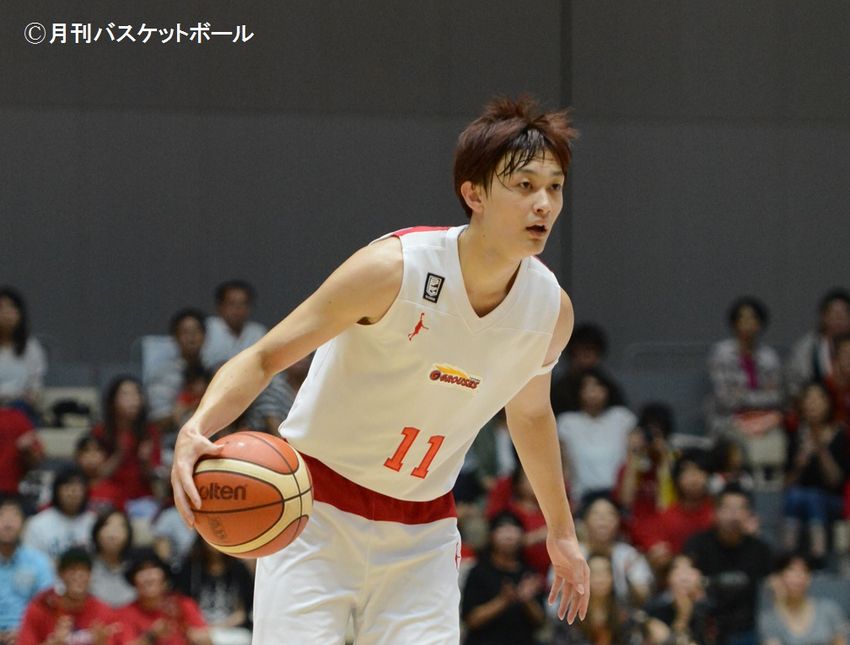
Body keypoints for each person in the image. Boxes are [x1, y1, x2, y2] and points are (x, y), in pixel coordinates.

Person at [171, 95, 590, 643]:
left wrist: (561, 532)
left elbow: (531, 415)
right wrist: (196, 429)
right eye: (524, 185)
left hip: (424, 530)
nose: (543, 204)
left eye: (555, 187)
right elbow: (264, 356)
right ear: (474, 194)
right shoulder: (393, 269)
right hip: (313, 510)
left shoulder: (549, 311)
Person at [684, 484, 772, 645]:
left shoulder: (761, 550)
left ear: (749, 514)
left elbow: (773, 588)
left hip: (747, 630)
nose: (734, 515)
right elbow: (683, 580)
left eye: (740, 509)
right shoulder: (697, 545)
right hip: (705, 627)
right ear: (715, 512)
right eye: (728, 508)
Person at [782, 382, 848, 564]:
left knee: (813, 497)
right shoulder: (796, 435)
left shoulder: (839, 434)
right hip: (800, 498)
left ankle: (818, 554)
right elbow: (786, 485)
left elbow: (836, 481)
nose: (813, 404)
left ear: (827, 403)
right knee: (794, 496)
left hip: (832, 500)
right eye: (809, 399)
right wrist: (799, 465)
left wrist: (821, 450)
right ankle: (788, 553)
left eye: (818, 399)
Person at [461, 511, 545, 645]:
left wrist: (526, 600)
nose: (509, 534)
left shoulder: (529, 574)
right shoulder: (478, 572)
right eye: (502, 528)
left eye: (514, 528)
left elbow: (540, 622)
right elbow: (470, 620)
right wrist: (502, 601)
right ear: (491, 535)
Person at [707, 296, 785, 438]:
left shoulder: (769, 356)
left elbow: (776, 397)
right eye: (742, 318)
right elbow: (726, 399)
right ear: (734, 323)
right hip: (729, 420)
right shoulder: (721, 354)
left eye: (753, 318)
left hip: (764, 420)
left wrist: (742, 395)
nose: (748, 323)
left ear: (760, 324)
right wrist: (761, 395)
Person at [558, 367, 637, 505]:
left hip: (617, 496)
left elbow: (633, 459)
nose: (592, 392)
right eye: (586, 387)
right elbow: (564, 465)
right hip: (580, 497)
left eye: (597, 386)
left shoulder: (622, 417)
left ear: (607, 389)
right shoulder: (567, 422)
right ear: (578, 391)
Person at [17, 547, 121, 645]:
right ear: (60, 574)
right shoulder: (41, 608)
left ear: (90, 575)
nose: (78, 576)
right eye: (72, 570)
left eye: (84, 571)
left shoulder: (103, 612)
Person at [92, 376, 163, 513]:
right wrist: (119, 453)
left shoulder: (150, 432)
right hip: (108, 497)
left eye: (137, 394)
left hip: (141, 499)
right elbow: (97, 476)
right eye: (126, 394)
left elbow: (154, 476)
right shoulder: (100, 432)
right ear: (112, 401)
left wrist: (145, 461)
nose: (133, 399)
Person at [118, 549, 210, 645]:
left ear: (164, 578)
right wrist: (151, 636)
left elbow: (207, 640)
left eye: (153, 568)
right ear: (133, 581)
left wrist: (193, 635)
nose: (148, 577)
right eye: (141, 570)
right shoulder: (125, 613)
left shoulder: (183, 604)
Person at [176, 535, 254, 645]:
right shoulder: (191, 569)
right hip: (198, 628)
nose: (214, 542)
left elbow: (242, 612)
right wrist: (200, 628)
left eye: (219, 537)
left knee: (244, 638)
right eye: (211, 536)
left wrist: (218, 627)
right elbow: (184, 604)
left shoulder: (239, 569)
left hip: (231, 629)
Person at [758, 552, 849, 645]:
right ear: (779, 577)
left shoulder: (828, 610)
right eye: (791, 570)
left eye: (804, 571)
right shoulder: (770, 618)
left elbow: (841, 641)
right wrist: (779, 600)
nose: (798, 577)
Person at [0, 496, 53, 644]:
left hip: (28, 636)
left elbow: (47, 605)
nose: (8, 523)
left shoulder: (39, 562)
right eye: (2, 515)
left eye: (14, 516)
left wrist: (25, 632)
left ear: (24, 524)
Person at [146, 308, 208, 432]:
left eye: (196, 331)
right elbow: (157, 420)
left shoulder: (216, 371)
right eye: (185, 332)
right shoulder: (162, 374)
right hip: (173, 439)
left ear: (204, 336)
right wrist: (186, 408)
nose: (191, 338)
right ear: (175, 337)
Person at [786, 288, 850, 401]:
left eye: (844, 314)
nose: (840, 319)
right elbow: (795, 387)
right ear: (824, 317)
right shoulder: (806, 348)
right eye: (835, 314)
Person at [23, 465, 97, 561]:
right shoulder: (37, 524)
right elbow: (30, 562)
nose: (72, 492)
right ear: (56, 491)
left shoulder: (94, 522)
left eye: (78, 487)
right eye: (67, 486)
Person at [550, 322, 626, 416]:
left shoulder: (609, 387)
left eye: (591, 350)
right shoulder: (559, 390)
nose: (586, 356)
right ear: (572, 353)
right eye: (582, 350)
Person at [0, 287, 47, 423]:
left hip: (20, 409)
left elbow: (35, 387)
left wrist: (30, 397)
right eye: (1, 308)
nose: (6, 313)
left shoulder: (31, 347)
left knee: (20, 411)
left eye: (12, 307)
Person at [89, 508, 138, 608]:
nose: (112, 534)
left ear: (128, 535)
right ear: (96, 533)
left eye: (119, 528)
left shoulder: (136, 568)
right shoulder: (86, 567)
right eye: (107, 526)